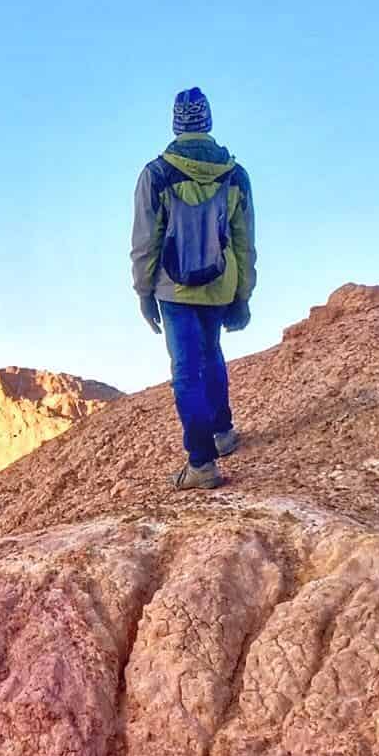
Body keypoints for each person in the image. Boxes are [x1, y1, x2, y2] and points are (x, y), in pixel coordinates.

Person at [130, 86, 256, 490]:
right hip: (220, 283)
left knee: (186, 370)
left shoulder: (156, 174)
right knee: (211, 353)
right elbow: (244, 241)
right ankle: (223, 432)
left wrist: (143, 291)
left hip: (174, 289)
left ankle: (201, 463)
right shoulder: (235, 175)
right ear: (208, 122)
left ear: (175, 125)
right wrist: (243, 293)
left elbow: (145, 241)